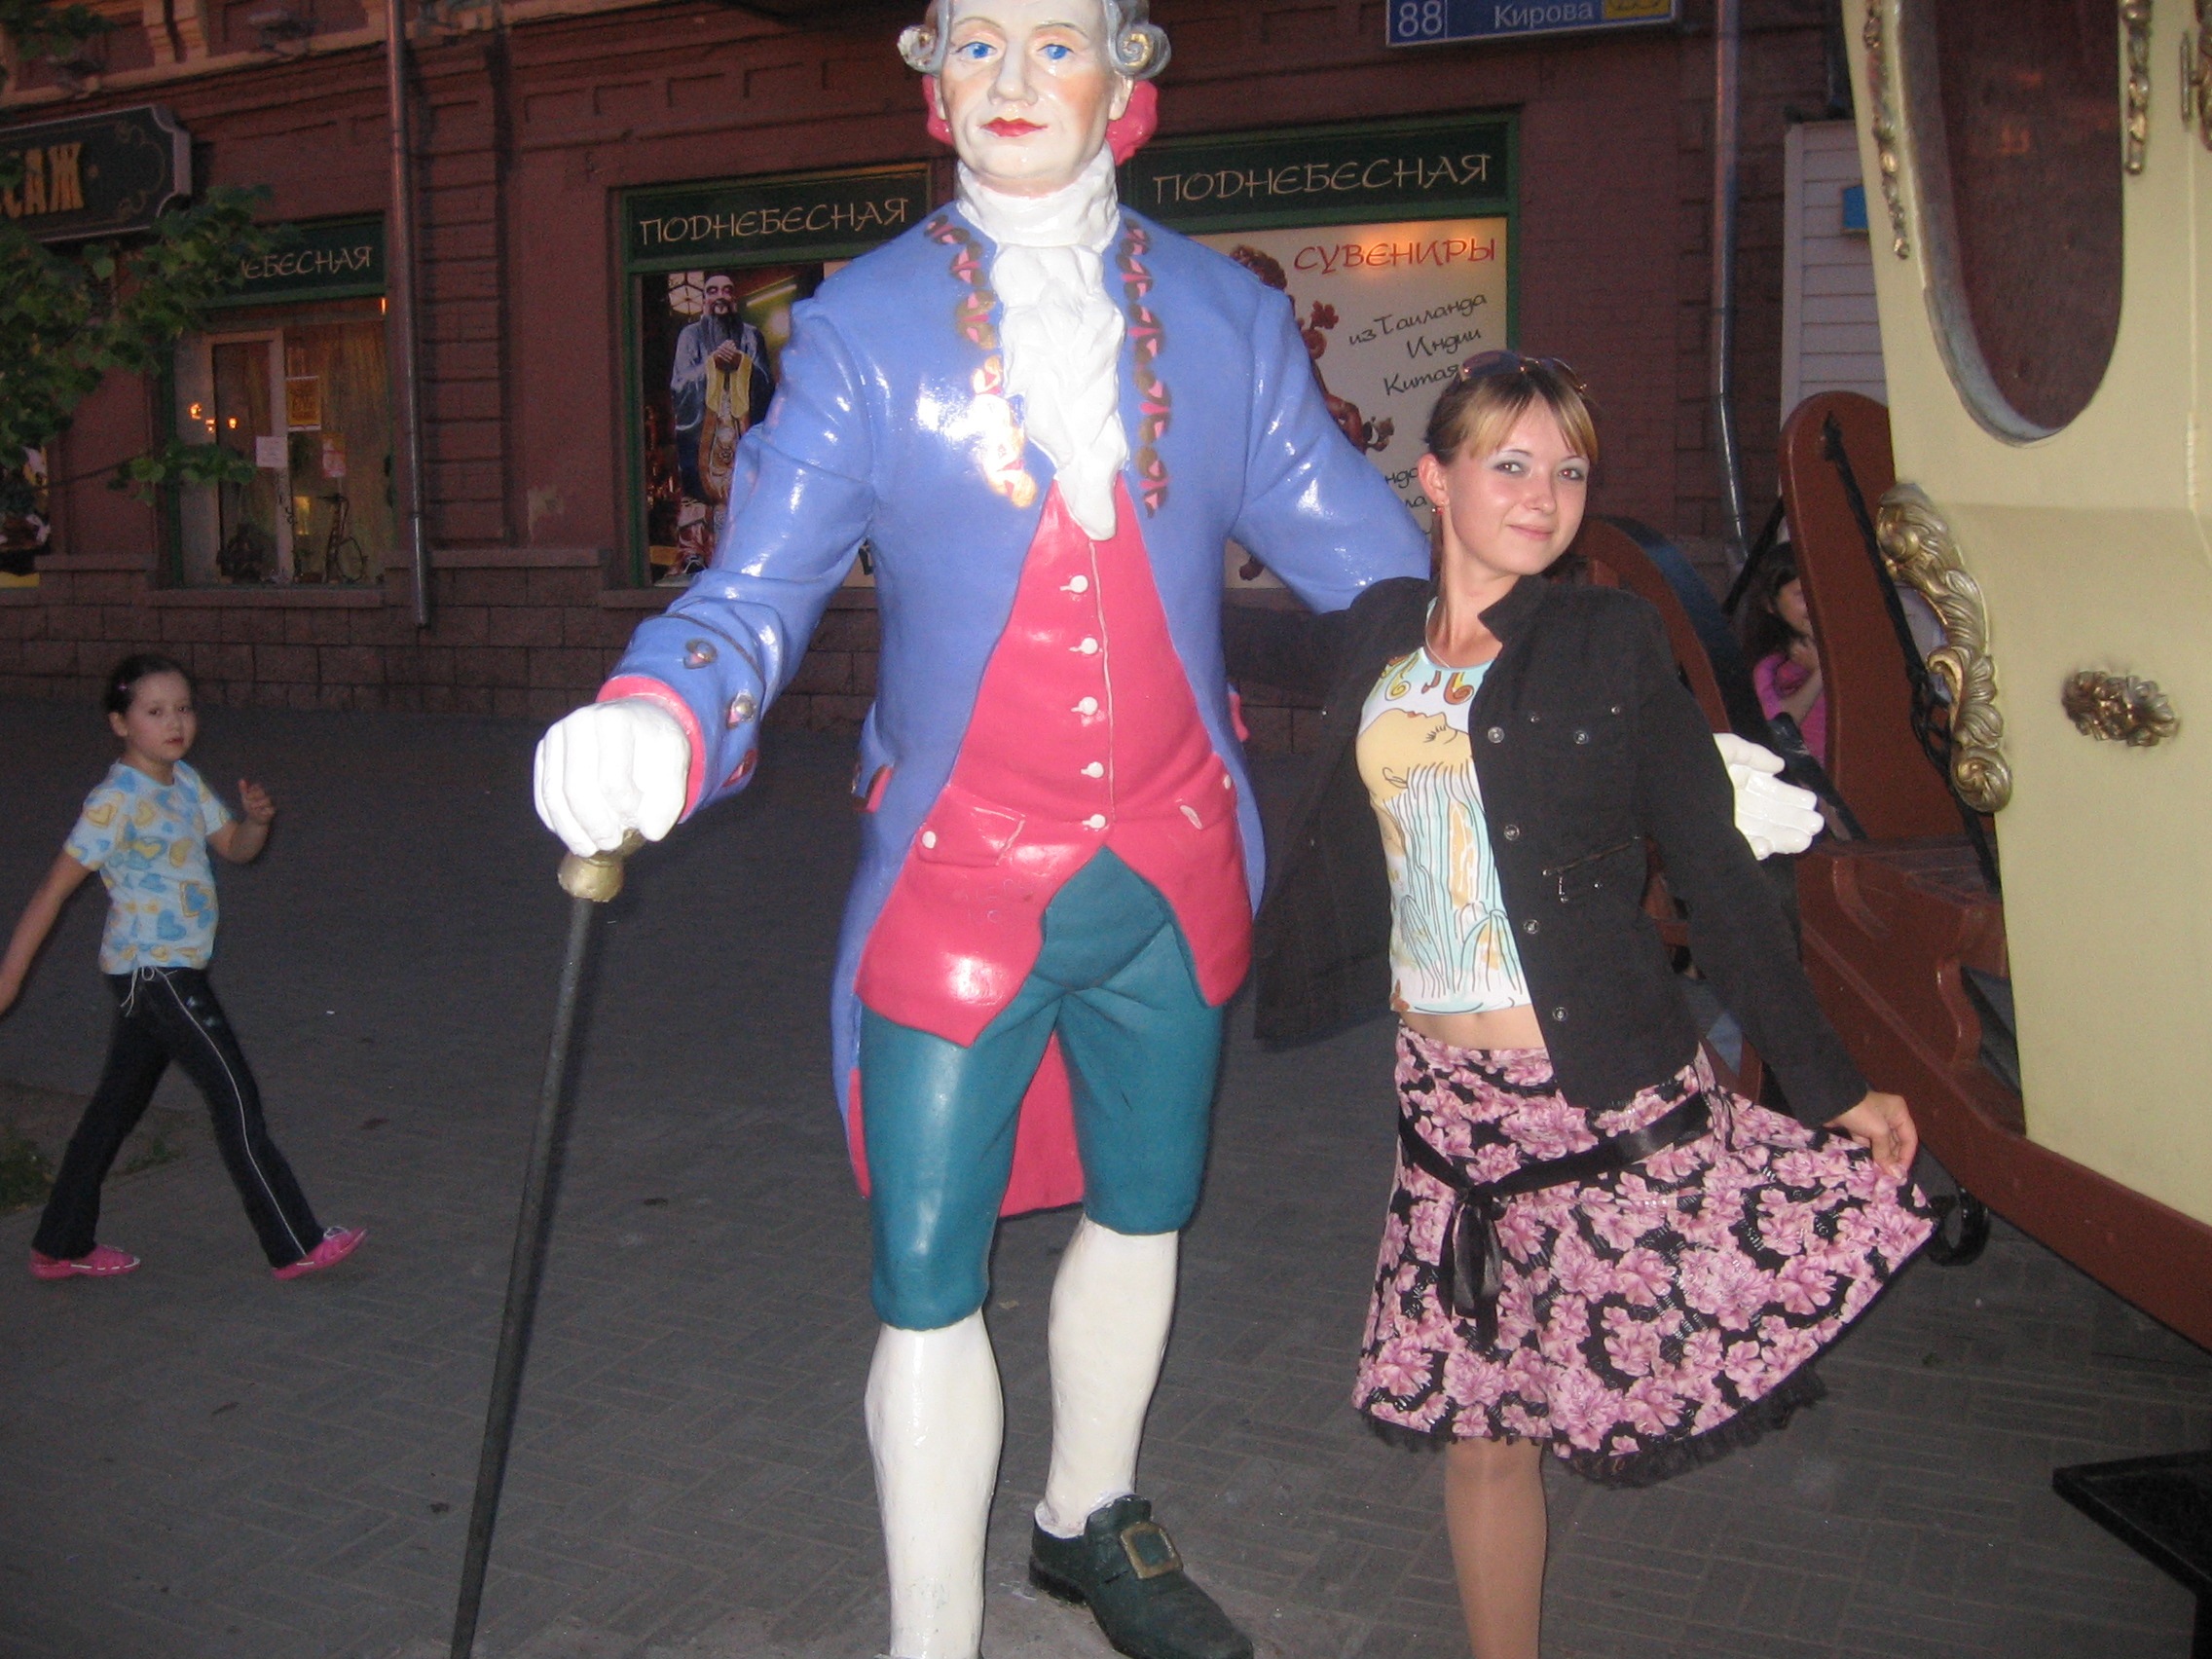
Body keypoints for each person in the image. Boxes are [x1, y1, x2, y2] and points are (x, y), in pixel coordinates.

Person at [531, 7, 1819, 1657]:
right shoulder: (858, 334)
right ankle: (930, 1638)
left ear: (1125, 77)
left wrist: (1649, 742)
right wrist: (659, 709)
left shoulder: (1221, 320)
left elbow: (1383, 572)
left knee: (1144, 1212)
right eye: (977, 45)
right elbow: (753, 590)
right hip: (956, 885)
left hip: (1172, 868)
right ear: (931, 72)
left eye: (1053, 44)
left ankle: (1089, 1516)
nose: (1010, 83)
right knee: (925, 1279)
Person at [1227, 354, 1933, 1659]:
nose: (1542, 496)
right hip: (1442, 1112)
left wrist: (1832, 1082)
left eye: (1567, 471)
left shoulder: (1604, 640)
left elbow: (1717, 875)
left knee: (1608, 1387)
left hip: (1594, 1100)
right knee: (1483, 1431)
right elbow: (1228, 644)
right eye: (1508, 464)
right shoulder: (1380, 631)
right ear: (1434, 480)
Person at [0, 654, 364, 1283]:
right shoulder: (114, 801)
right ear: (121, 723)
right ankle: (295, 1241)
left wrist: (256, 822)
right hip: (156, 974)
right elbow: (52, 892)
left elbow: (236, 849)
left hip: (161, 973)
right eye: (155, 711)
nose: (175, 723)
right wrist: (8, 982)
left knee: (114, 1110)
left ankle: (59, 1243)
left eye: (184, 708)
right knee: (234, 1095)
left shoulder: (185, 781)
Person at [668, 272, 775, 570]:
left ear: (734, 298)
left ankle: (742, 551)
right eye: (712, 291)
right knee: (698, 493)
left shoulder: (751, 335)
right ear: (704, 299)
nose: (720, 297)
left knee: (745, 490)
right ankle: (695, 554)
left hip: (741, 427)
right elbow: (679, 383)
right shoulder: (690, 336)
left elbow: (767, 383)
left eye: (727, 291)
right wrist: (711, 364)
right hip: (704, 429)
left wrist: (742, 363)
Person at [1743, 550, 1828, 765]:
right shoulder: (1770, 665)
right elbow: (1778, 726)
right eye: (1802, 595)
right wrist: (1819, 673)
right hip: (1810, 773)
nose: (1817, 602)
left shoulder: (1847, 649)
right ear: (1771, 604)